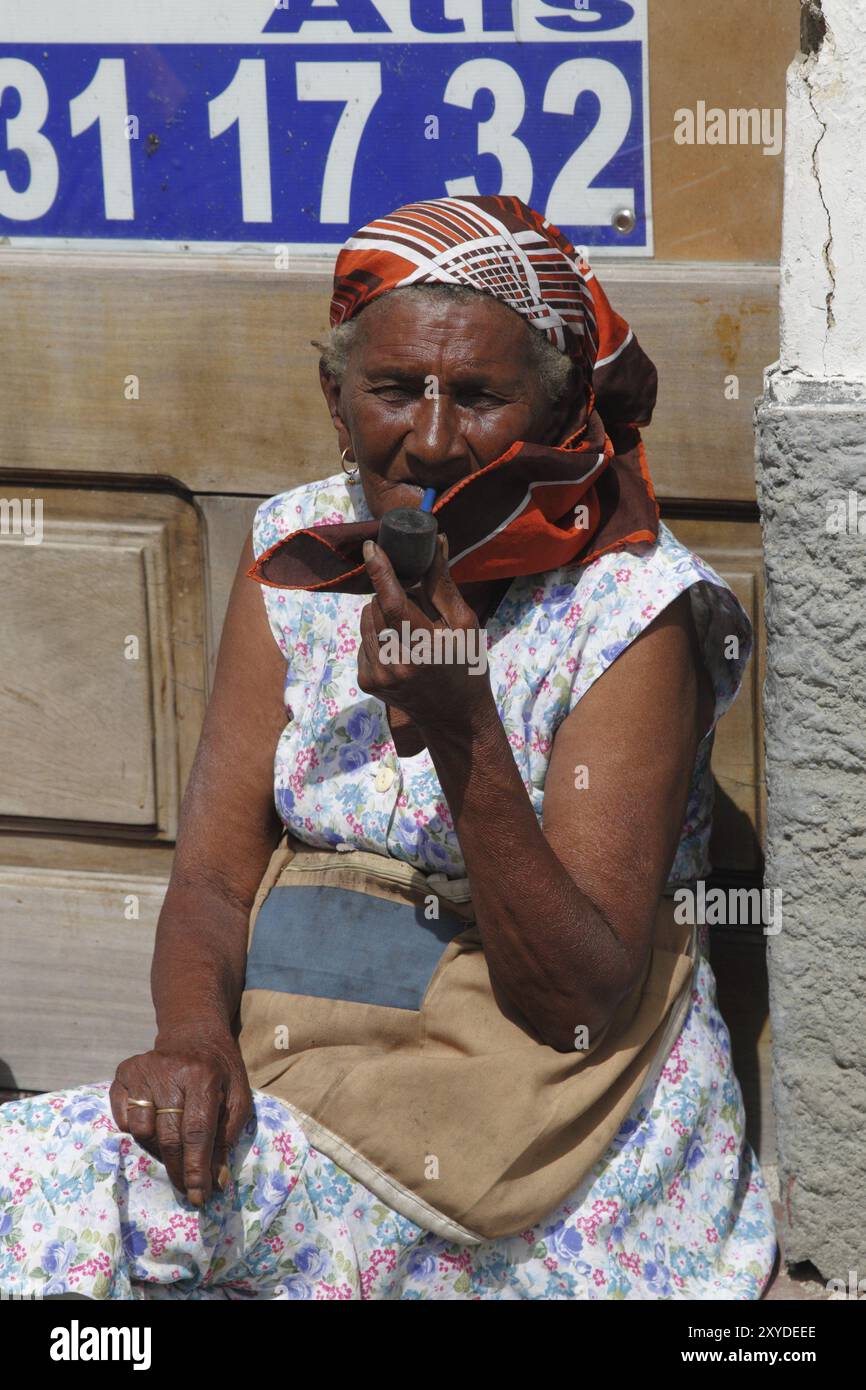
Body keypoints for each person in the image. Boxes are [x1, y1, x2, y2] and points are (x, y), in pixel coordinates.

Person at [0, 195, 777, 1300]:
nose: (428, 436)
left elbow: (575, 1000)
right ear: (333, 395)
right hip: (311, 1068)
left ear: (557, 408)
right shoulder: (295, 551)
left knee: (90, 1215)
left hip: (534, 1138)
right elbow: (216, 874)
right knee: (81, 1195)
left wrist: (463, 729)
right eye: (392, 388)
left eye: (479, 396)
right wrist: (192, 1041)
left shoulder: (630, 608)